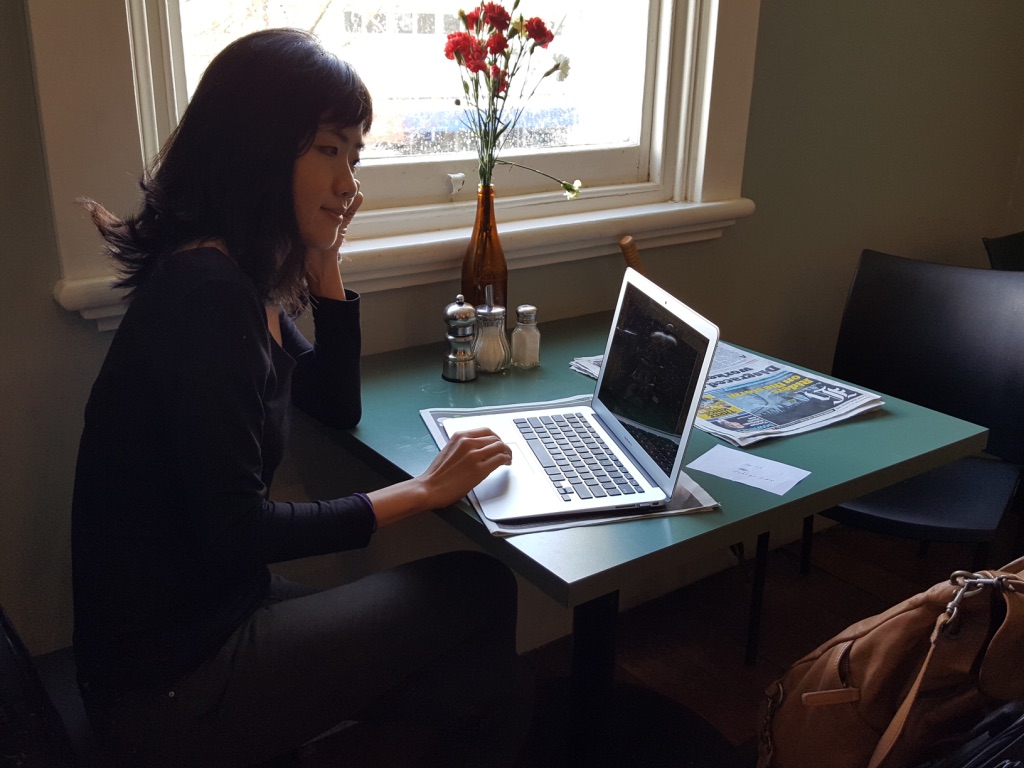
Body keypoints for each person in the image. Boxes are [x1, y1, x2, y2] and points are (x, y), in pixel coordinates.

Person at [71, 28, 531, 767]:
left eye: (355, 155)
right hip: (171, 683)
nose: (350, 182)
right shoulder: (205, 295)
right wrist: (420, 492)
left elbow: (331, 404)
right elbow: (237, 532)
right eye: (329, 149)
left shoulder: (232, 277)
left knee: (466, 666)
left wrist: (326, 258)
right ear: (258, 144)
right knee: (476, 591)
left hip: (211, 617)